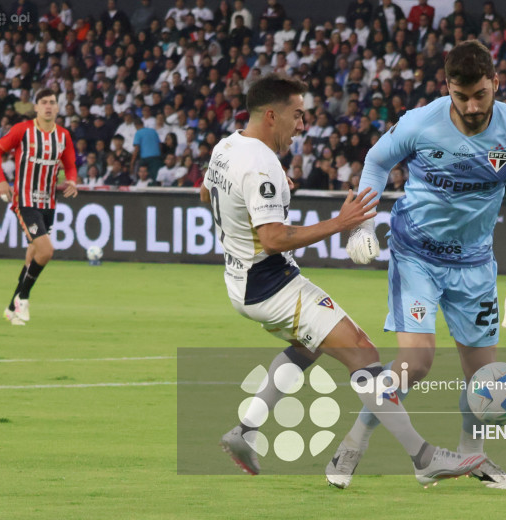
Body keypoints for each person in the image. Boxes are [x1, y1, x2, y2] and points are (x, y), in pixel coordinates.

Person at [201, 74, 485, 485]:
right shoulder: (260, 163)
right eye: (297, 116)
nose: (302, 125)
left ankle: (245, 430)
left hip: (240, 280)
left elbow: (204, 194)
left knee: (308, 345)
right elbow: (274, 237)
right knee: (364, 354)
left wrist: (269, 194)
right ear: (270, 115)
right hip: (271, 284)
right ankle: (423, 458)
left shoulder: (226, 147)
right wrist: (342, 221)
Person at [330, 41, 506, 490]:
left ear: (495, 85)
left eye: (480, 95)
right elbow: (376, 160)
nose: (470, 106)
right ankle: (354, 442)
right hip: (416, 256)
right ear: (447, 86)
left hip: (475, 264)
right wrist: (363, 225)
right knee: (416, 361)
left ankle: (473, 457)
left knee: (484, 376)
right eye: (461, 95)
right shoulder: (421, 122)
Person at [0, 88, 78, 326]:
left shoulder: (63, 136)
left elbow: (70, 165)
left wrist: (72, 180)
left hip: (48, 203)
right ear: (36, 107)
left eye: (52, 102)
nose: (48, 106)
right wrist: (1, 181)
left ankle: (11, 307)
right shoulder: (23, 130)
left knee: (33, 254)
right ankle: (24, 298)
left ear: (58, 108)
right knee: (46, 251)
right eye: (44, 102)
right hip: (25, 201)